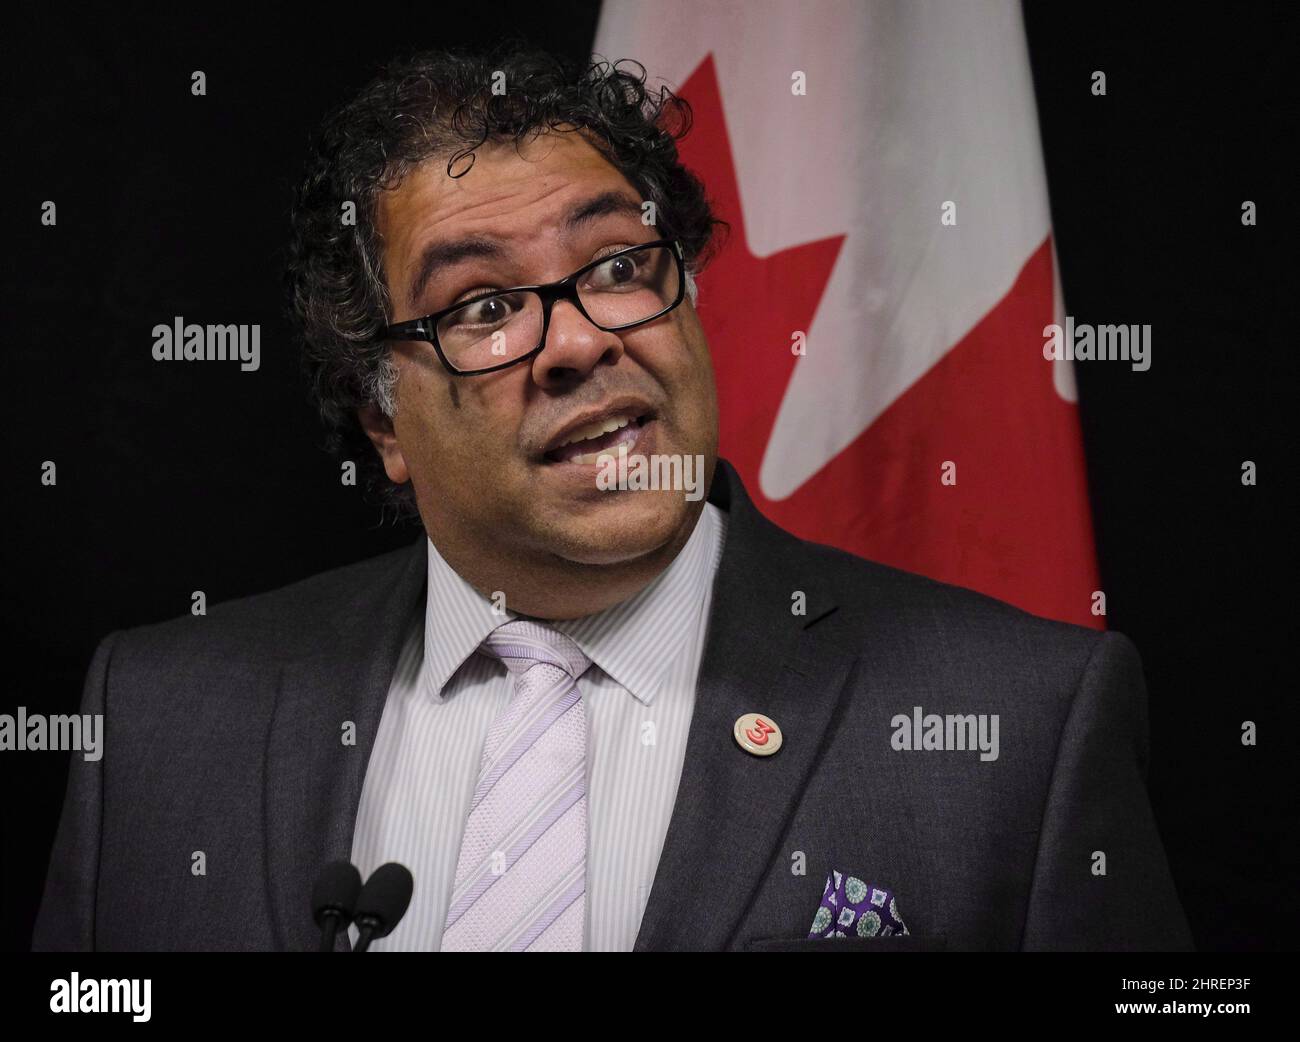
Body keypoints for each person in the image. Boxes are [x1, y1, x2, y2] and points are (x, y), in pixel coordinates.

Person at [33, 43, 1192, 952]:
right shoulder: (158, 723)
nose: (579, 342)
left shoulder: (1022, 727)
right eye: (482, 307)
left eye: (617, 266)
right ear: (382, 418)